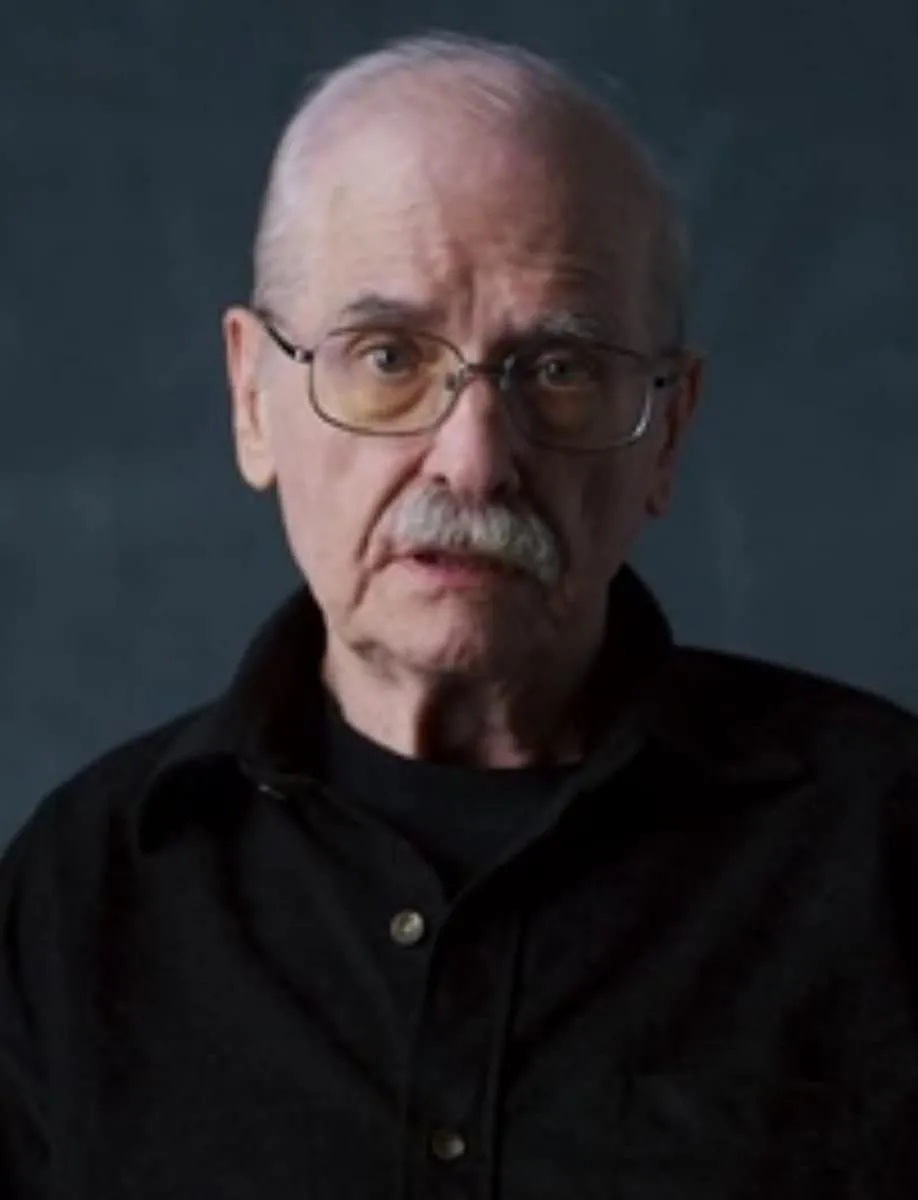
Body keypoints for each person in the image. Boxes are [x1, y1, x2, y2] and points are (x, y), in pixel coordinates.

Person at [3, 30, 918, 1200]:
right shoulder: (80, 894)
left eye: (561, 369)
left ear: (668, 431)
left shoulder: (886, 850)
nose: (475, 462)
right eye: (388, 357)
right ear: (253, 398)